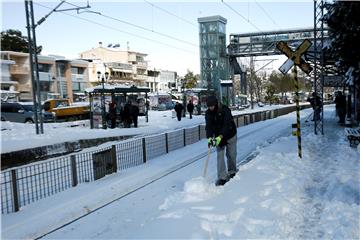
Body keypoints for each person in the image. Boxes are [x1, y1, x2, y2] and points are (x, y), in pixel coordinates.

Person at [205, 95, 237, 186]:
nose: (210, 108)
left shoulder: (225, 110)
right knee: (220, 156)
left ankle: (232, 171)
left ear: (215, 104)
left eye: (211, 106)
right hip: (219, 136)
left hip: (230, 134)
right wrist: (210, 138)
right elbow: (209, 126)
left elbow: (227, 125)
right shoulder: (208, 113)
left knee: (231, 154)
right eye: (209, 106)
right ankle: (222, 177)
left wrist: (220, 136)